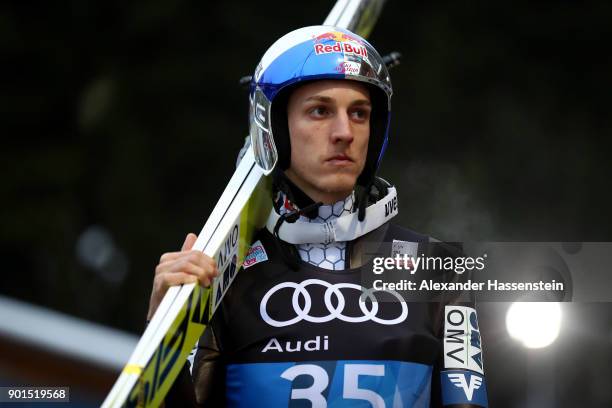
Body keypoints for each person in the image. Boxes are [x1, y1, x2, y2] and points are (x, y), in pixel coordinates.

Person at [149, 26, 489, 407]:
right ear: (274, 126)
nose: (344, 132)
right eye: (320, 111)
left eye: (359, 113)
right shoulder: (225, 276)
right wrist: (164, 342)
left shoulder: (436, 267)